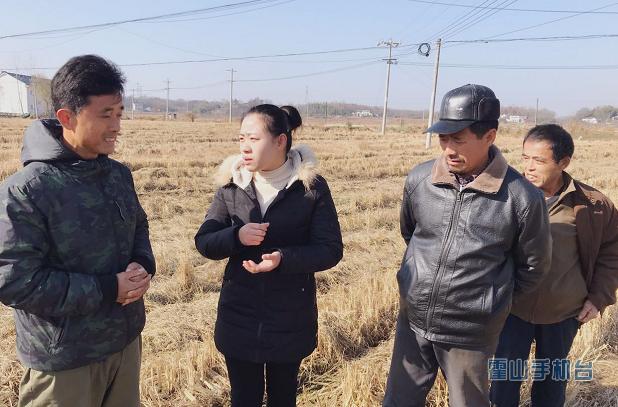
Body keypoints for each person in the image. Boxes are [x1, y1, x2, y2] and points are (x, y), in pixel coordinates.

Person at [0, 54, 155, 407]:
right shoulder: (26, 191)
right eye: (105, 115)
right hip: (64, 361)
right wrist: (108, 288)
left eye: (119, 114)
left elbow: (139, 226)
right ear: (67, 117)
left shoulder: (118, 175)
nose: (117, 126)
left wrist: (142, 263)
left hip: (125, 342)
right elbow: (15, 281)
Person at [383, 84, 551, 406]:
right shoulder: (421, 180)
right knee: (398, 401)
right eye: (443, 139)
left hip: (470, 333)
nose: (448, 149)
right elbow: (412, 235)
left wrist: (488, 301)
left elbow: (534, 266)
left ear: (490, 136)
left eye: (458, 139)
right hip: (414, 319)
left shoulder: (520, 198)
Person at [194, 104, 343, 407]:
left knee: (283, 397)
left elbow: (330, 249)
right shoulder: (232, 184)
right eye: (241, 139)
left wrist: (283, 259)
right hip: (239, 314)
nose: (245, 147)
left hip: (289, 315)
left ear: (280, 141)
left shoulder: (309, 187)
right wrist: (237, 236)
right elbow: (205, 241)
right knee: (243, 398)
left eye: (253, 139)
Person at [490, 124, 618, 407]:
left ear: (563, 162)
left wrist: (598, 298)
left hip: (563, 312)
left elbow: (612, 253)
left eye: (539, 160)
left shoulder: (592, 205)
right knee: (503, 382)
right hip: (513, 309)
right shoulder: (505, 196)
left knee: (551, 382)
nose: (529, 167)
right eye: (525, 158)